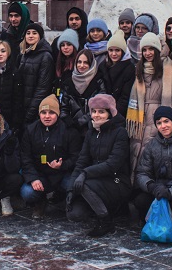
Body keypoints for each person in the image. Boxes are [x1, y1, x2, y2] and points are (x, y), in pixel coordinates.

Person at [67, 93, 131, 237]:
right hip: (95, 180)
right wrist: (70, 189)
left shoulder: (120, 132)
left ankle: (106, 221)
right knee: (74, 214)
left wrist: (85, 174)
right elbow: (81, 161)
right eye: (94, 111)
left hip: (116, 180)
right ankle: (99, 209)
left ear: (110, 112)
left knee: (84, 185)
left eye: (101, 112)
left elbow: (112, 164)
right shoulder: (91, 132)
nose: (96, 115)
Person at [126, 32, 172, 181]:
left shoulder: (169, 71)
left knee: (153, 155)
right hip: (139, 118)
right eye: (144, 50)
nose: (148, 53)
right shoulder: (140, 70)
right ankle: (136, 187)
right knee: (136, 152)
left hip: (159, 118)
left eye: (151, 49)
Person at [20, 95, 82, 218]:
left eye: (51, 112)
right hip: (40, 174)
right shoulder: (30, 130)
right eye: (43, 112)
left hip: (62, 174)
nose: (47, 116)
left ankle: (65, 198)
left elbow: (76, 157)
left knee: (74, 185)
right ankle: (40, 201)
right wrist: (33, 178)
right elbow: (25, 157)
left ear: (58, 114)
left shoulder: (69, 131)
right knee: (27, 192)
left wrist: (62, 165)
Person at [133, 106, 172, 229]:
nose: (163, 126)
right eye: (159, 123)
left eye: (166, 121)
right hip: (158, 187)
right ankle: (147, 221)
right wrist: (151, 186)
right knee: (140, 200)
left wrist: (171, 192)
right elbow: (142, 172)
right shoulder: (152, 144)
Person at [17, 22, 54, 132]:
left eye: (34, 33)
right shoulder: (24, 54)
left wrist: (30, 113)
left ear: (40, 36)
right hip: (23, 108)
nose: (31, 35)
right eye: (28, 33)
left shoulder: (45, 56)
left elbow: (42, 89)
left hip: (34, 111)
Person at [60, 48, 107, 134]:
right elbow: (63, 108)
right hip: (72, 131)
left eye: (86, 62)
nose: (81, 65)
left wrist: (82, 121)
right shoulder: (68, 82)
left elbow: (100, 106)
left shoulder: (98, 81)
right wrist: (68, 122)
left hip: (93, 129)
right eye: (79, 62)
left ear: (91, 64)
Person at [99, 31, 134, 116]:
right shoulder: (103, 66)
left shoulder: (129, 68)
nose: (114, 54)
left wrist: (113, 114)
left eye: (117, 50)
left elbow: (125, 97)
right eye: (111, 50)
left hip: (119, 113)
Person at [52, 28, 80, 98]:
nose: (65, 47)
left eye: (69, 44)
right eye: (62, 45)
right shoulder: (58, 62)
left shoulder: (78, 63)